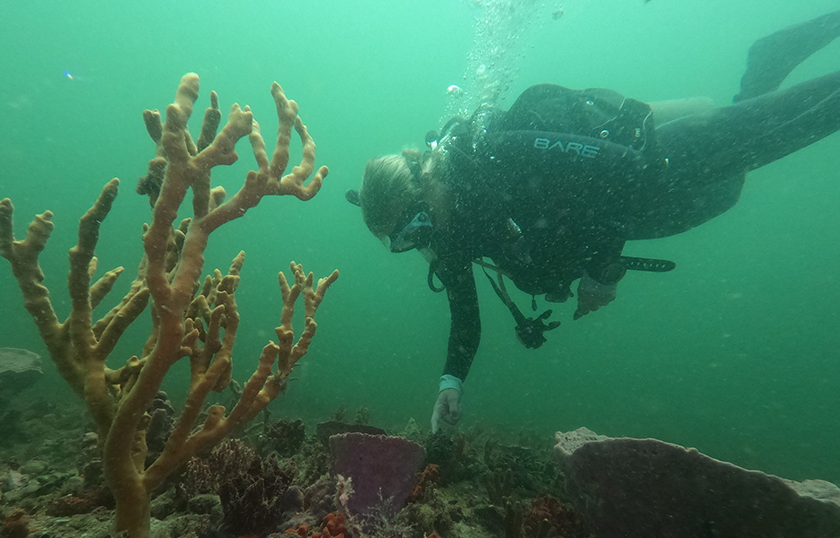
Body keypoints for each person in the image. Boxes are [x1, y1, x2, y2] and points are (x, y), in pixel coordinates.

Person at [347, 10, 840, 433]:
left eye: (414, 224)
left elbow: (623, 169)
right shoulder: (453, 232)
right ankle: (767, 60)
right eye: (405, 241)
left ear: (425, 182)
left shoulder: (495, 152)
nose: (421, 241)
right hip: (657, 211)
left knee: (804, 118)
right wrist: (450, 383)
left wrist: (602, 273)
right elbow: (465, 317)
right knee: (740, 178)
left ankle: (768, 64)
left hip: (665, 163)